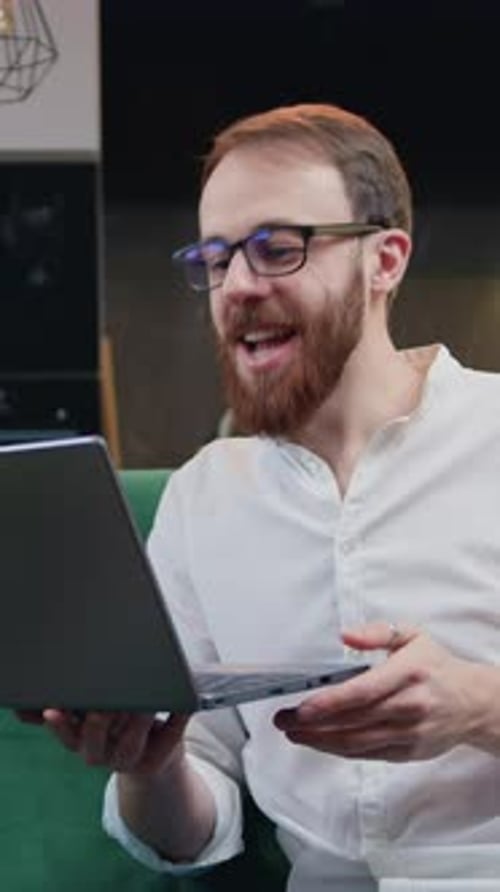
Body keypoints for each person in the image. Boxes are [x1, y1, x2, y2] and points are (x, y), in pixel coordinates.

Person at [38, 103, 500, 890]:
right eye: (217, 260)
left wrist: (477, 705)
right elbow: (199, 811)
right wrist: (153, 769)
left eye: (277, 250)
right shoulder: (203, 498)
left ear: (384, 261)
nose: (238, 287)